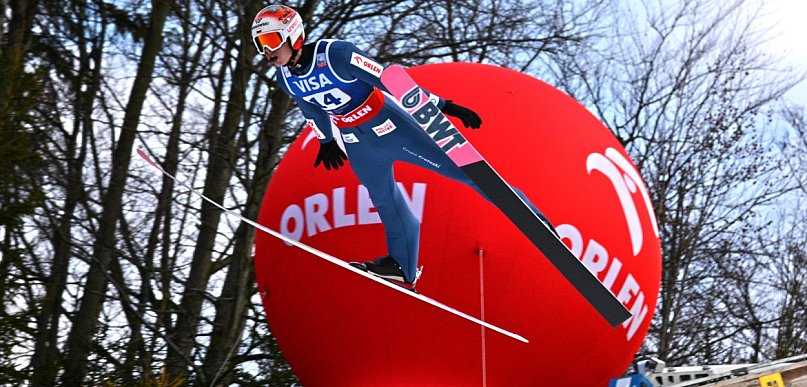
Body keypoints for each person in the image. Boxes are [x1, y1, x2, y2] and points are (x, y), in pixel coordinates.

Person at [252, 4, 555, 289]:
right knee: (384, 199)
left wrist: (444, 106)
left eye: (271, 39)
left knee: (460, 170)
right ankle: (402, 266)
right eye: (259, 44)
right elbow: (310, 108)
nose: (267, 50)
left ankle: (532, 217)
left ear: (293, 34)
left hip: (389, 125)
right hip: (357, 141)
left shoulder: (336, 54)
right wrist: (326, 140)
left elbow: (388, 80)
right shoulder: (285, 77)